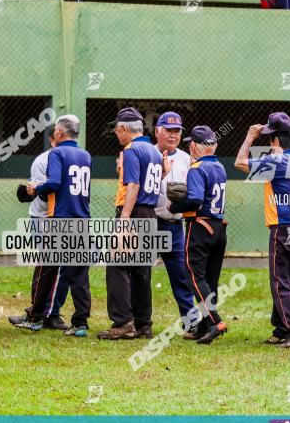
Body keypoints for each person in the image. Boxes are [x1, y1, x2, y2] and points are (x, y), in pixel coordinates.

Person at [18, 115, 92, 337]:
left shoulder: (57, 153)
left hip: (60, 220)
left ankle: (35, 318)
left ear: (59, 132)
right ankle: (80, 323)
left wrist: (35, 189)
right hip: (82, 219)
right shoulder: (85, 154)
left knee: (46, 269)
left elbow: (55, 183)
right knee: (78, 274)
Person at [236, 112, 290, 347]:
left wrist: (249, 137)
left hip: (282, 226)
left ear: (276, 140)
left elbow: (240, 162)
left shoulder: (277, 161)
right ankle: (282, 328)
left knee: (280, 281)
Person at [98, 107, 163, 340]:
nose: (116, 134)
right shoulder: (154, 151)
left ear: (125, 129)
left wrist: (124, 219)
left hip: (133, 213)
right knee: (141, 270)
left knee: (117, 266)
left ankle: (123, 322)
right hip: (149, 213)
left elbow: (134, 185)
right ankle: (144, 324)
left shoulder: (132, 149)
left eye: (117, 130)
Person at [169, 126, 229, 345]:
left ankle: (215, 322)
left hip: (200, 227)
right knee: (209, 280)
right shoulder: (220, 166)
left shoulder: (197, 168)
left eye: (190, 143)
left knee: (194, 276)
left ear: (194, 145)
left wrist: (175, 205)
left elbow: (194, 199)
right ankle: (203, 327)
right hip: (218, 228)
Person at [7, 129, 71, 330]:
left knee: (59, 268)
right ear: (53, 140)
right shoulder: (43, 161)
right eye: (56, 138)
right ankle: (39, 312)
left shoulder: (69, 157)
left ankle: (50, 312)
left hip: (61, 219)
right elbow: (40, 193)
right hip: (44, 218)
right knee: (47, 267)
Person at [152, 112, 198, 326]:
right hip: (149, 223)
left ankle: (191, 320)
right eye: (168, 130)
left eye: (177, 131)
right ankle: (140, 321)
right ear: (157, 131)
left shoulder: (186, 159)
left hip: (174, 225)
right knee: (140, 274)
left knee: (181, 275)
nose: (173, 135)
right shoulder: (147, 153)